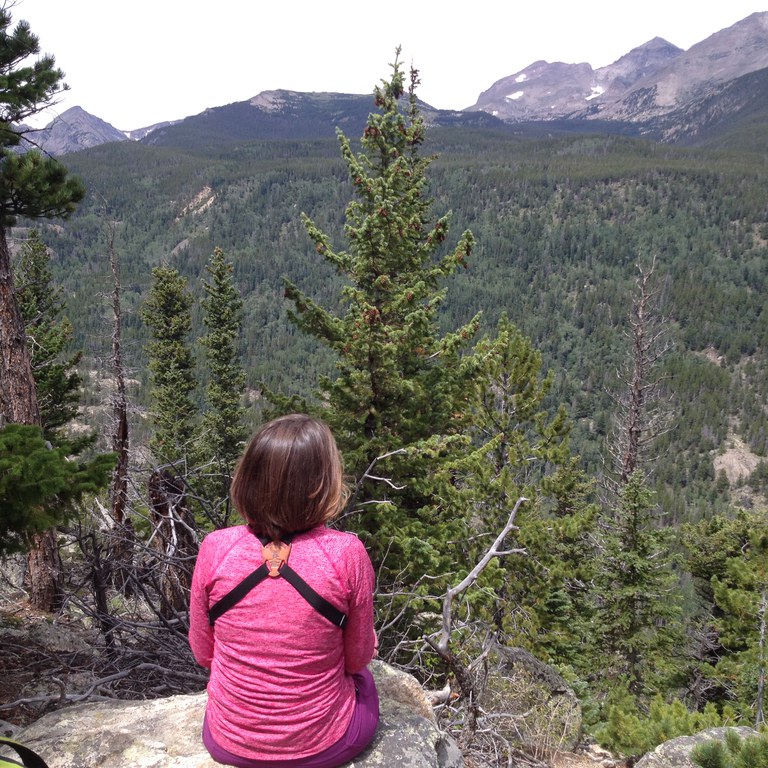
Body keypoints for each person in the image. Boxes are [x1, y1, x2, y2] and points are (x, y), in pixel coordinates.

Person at [189, 413, 379, 768]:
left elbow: (204, 653)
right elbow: (356, 660)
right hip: (324, 745)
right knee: (366, 683)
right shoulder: (345, 553)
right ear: (322, 485)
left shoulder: (216, 547)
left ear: (247, 479)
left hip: (227, 740)